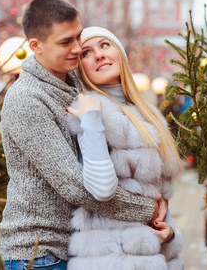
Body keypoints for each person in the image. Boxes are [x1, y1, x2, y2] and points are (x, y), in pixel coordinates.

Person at [0, 0, 165, 270]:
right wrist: (148, 209)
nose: (77, 48)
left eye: (78, 36)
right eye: (66, 42)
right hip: (40, 252)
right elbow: (75, 186)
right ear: (35, 46)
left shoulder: (74, 79)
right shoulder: (26, 99)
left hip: (78, 247)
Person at [65, 27, 184, 269]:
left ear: (120, 53)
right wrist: (92, 121)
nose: (98, 55)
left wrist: (169, 234)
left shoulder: (149, 115)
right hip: (108, 259)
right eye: (87, 52)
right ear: (80, 68)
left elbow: (159, 197)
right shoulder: (87, 111)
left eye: (105, 45)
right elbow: (101, 189)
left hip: (152, 256)